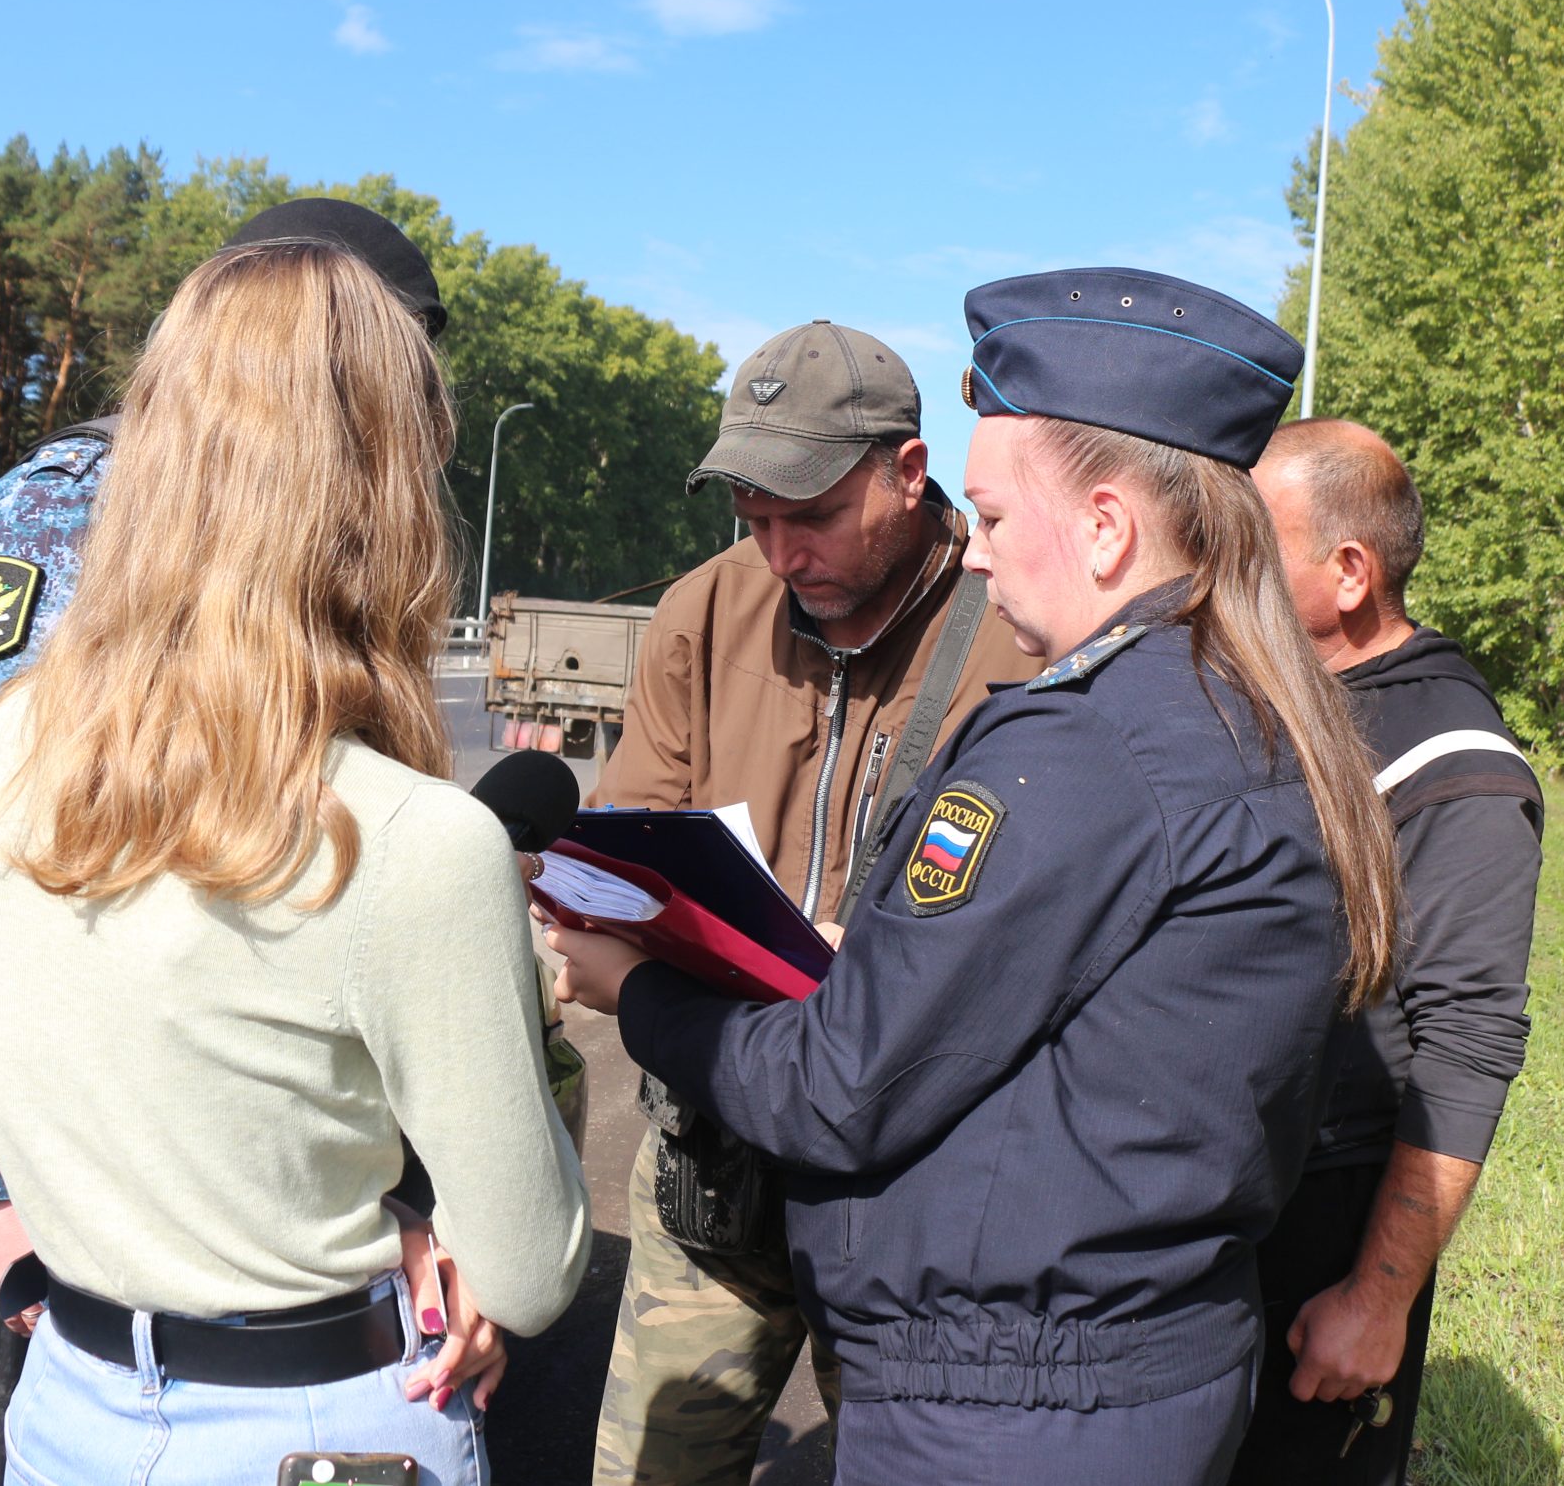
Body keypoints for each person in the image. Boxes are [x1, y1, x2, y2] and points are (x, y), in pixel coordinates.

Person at [551, 268, 1403, 1486]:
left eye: (994, 521)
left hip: (1010, 1392)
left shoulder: (1086, 735)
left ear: (1106, 526)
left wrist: (636, 992)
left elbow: (843, 1082)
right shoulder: (1251, 709)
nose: (986, 561)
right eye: (752, 514)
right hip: (1112, 1353)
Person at [0, 200, 470, 1486]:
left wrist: (418, 1205)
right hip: (74, 1196)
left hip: (273, 1210)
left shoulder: (343, 534)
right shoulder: (75, 509)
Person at [588, 320, 1040, 1486]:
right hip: (714, 1151)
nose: (782, 554)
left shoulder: (1022, 627)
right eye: (755, 521)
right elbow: (635, 840)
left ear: (908, 470)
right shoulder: (702, 610)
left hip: (915, 1189)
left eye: (815, 515)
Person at [1231, 418, 1542, 1485]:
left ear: (1349, 571)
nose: (1226, 568)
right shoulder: (1285, 693)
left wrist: (1374, 1300)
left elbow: (1464, 1046)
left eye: (1251, 544)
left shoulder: (1458, 769)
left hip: (1320, 1233)